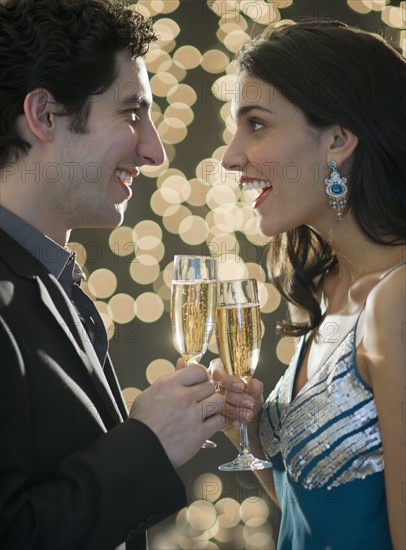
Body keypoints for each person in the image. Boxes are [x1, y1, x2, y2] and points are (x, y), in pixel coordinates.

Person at [0, 1, 225, 548]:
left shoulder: (50, 282)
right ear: (44, 115)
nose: (154, 150)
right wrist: (147, 442)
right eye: (131, 113)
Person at [212, 20, 406, 549]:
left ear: (338, 140)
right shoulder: (327, 286)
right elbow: (315, 515)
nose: (231, 157)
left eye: (255, 125)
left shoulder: (397, 301)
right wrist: (245, 428)